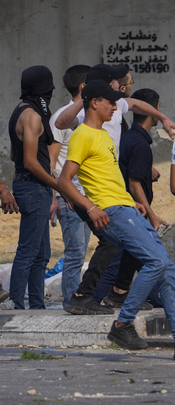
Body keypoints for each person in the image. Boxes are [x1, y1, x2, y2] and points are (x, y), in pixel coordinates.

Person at [57, 79, 175, 360]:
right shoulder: (82, 135)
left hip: (126, 208)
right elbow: (64, 180)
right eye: (109, 101)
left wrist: (133, 201)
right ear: (94, 102)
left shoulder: (106, 136)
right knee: (155, 262)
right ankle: (122, 323)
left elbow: (107, 179)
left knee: (167, 268)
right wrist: (90, 207)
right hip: (112, 212)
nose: (114, 106)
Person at [56, 64, 175, 315]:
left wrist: (164, 117)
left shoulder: (112, 113)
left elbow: (135, 105)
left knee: (114, 241)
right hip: (88, 191)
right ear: (95, 95)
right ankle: (104, 303)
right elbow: (60, 123)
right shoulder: (83, 122)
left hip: (112, 191)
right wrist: (87, 205)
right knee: (115, 243)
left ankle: (97, 296)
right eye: (111, 84)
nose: (118, 93)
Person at [95, 88, 168, 308]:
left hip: (130, 210)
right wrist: (152, 215)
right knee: (124, 261)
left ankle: (118, 298)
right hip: (133, 211)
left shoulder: (129, 138)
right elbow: (135, 185)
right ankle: (96, 300)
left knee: (133, 260)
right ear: (153, 111)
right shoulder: (139, 144)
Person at [8, 66, 58, 310]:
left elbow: (13, 156)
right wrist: (57, 184)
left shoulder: (19, 111)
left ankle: (37, 307)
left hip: (31, 187)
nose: (52, 91)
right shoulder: (33, 116)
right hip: (34, 188)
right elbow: (30, 161)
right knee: (29, 252)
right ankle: (16, 305)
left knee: (41, 255)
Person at [49, 65, 93, 308]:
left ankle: (78, 298)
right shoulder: (61, 118)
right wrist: (55, 195)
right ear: (85, 87)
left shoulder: (88, 116)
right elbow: (52, 162)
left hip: (87, 196)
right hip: (70, 197)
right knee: (75, 253)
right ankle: (70, 301)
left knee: (82, 252)